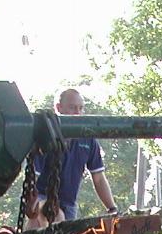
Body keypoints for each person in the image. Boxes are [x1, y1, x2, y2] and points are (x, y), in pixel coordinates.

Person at [27, 88, 118, 224]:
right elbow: (33, 177)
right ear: (58, 108)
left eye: (81, 108)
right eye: (72, 108)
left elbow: (98, 178)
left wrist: (112, 209)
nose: (77, 113)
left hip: (69, 203)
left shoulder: (88, 139)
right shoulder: (45, 137)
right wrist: (31, 204)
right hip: (42, 198)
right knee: (55, 217)